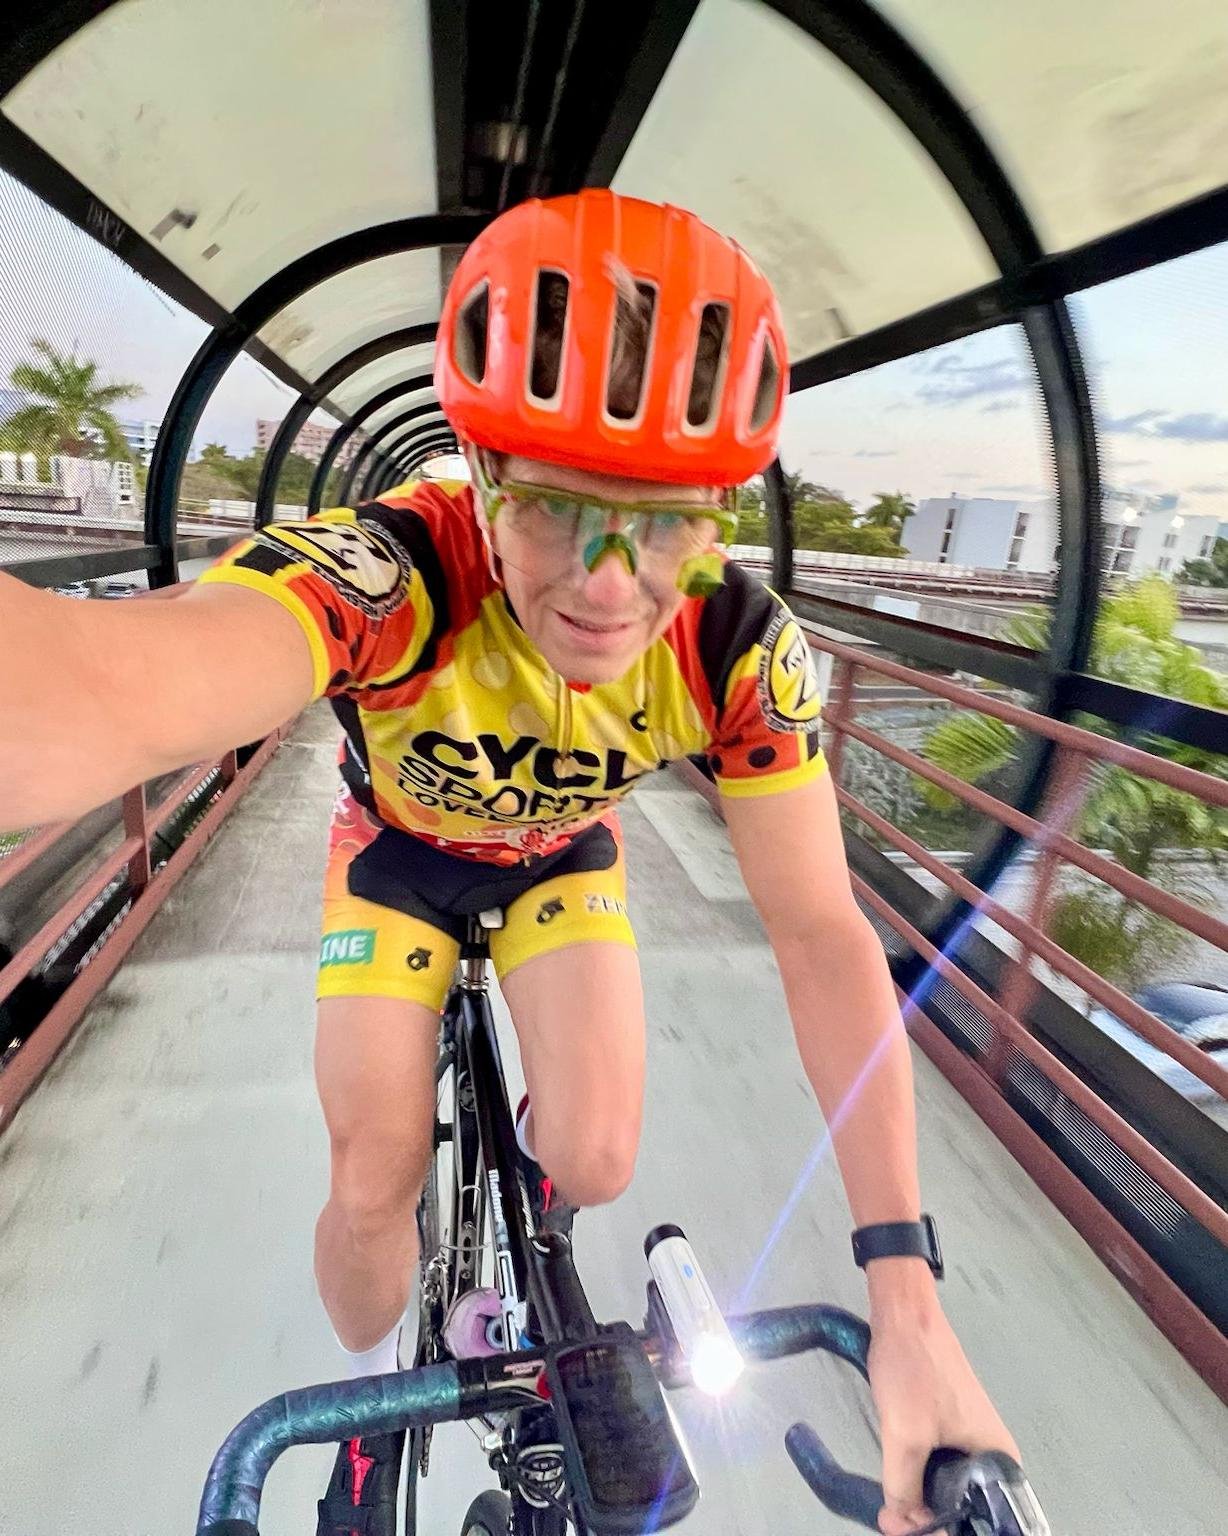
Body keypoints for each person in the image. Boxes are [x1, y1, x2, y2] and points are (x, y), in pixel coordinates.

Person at [0, 190, 1017, 1535]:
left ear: (717, 515)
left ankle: (531, 1206)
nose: (608, 582)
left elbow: (824, 935)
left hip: (553, 864)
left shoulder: (733, 645)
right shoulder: (396, 569)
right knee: (372, 1186)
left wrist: (909, 1302)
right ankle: (369, 1408)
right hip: (400, 856)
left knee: (597, 1154)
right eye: (554, 506)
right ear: (480, 480)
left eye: (664, 518)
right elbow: (118, 685)